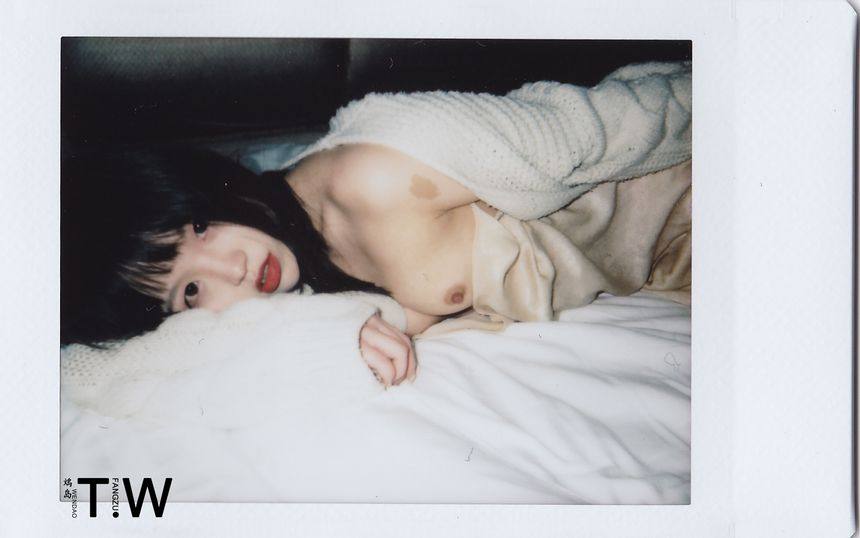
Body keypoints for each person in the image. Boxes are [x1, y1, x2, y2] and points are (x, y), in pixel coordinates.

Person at [62, 61, 692, 384]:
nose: (232, 267)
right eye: (189, 290)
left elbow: (617, 123)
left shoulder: (381, 170)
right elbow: (95, 371)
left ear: (212, 191)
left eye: (199, 227)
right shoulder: (296, 285)